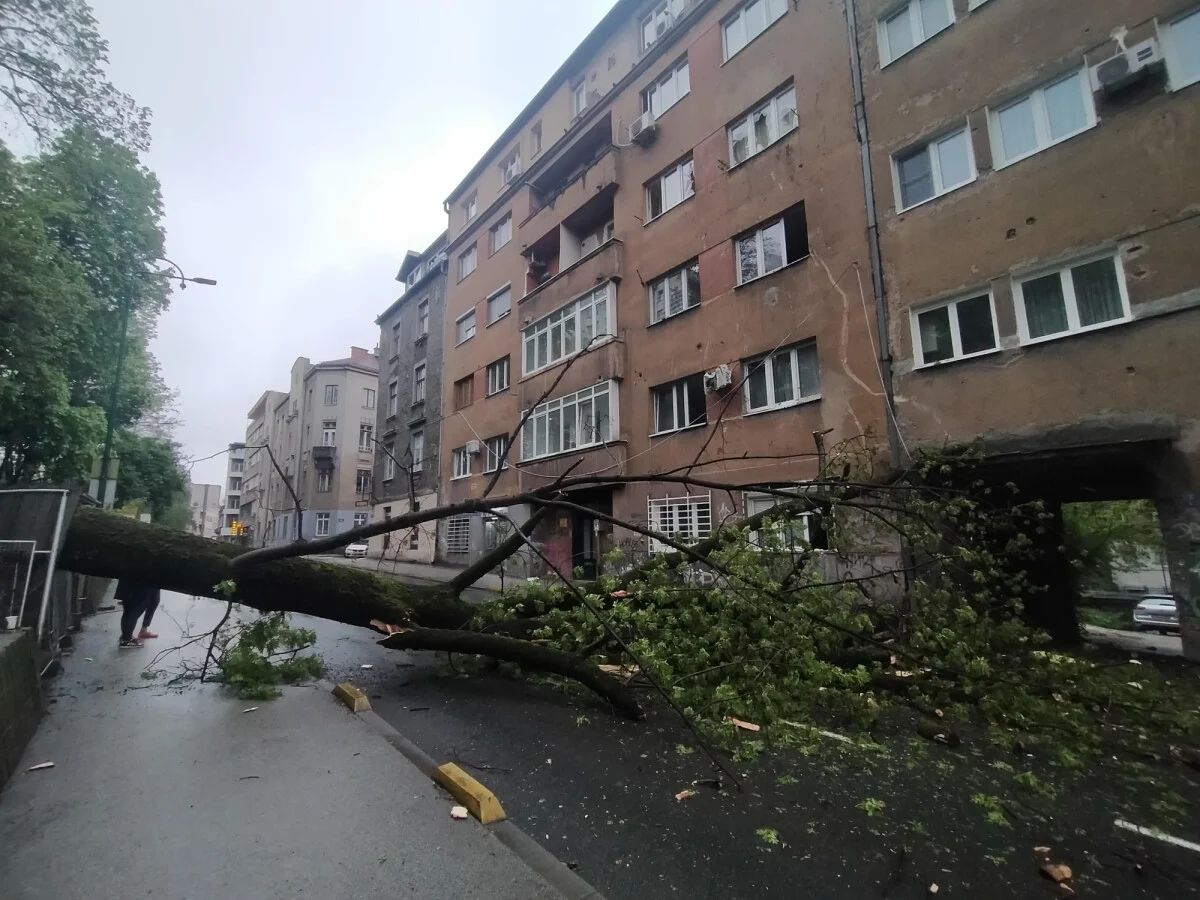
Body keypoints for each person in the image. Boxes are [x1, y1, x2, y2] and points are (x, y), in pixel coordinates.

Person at [114, 578, 161, 648]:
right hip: (139, 577)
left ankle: (140, 631)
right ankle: (126, 639)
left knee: (154, 600)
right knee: (135, 606)